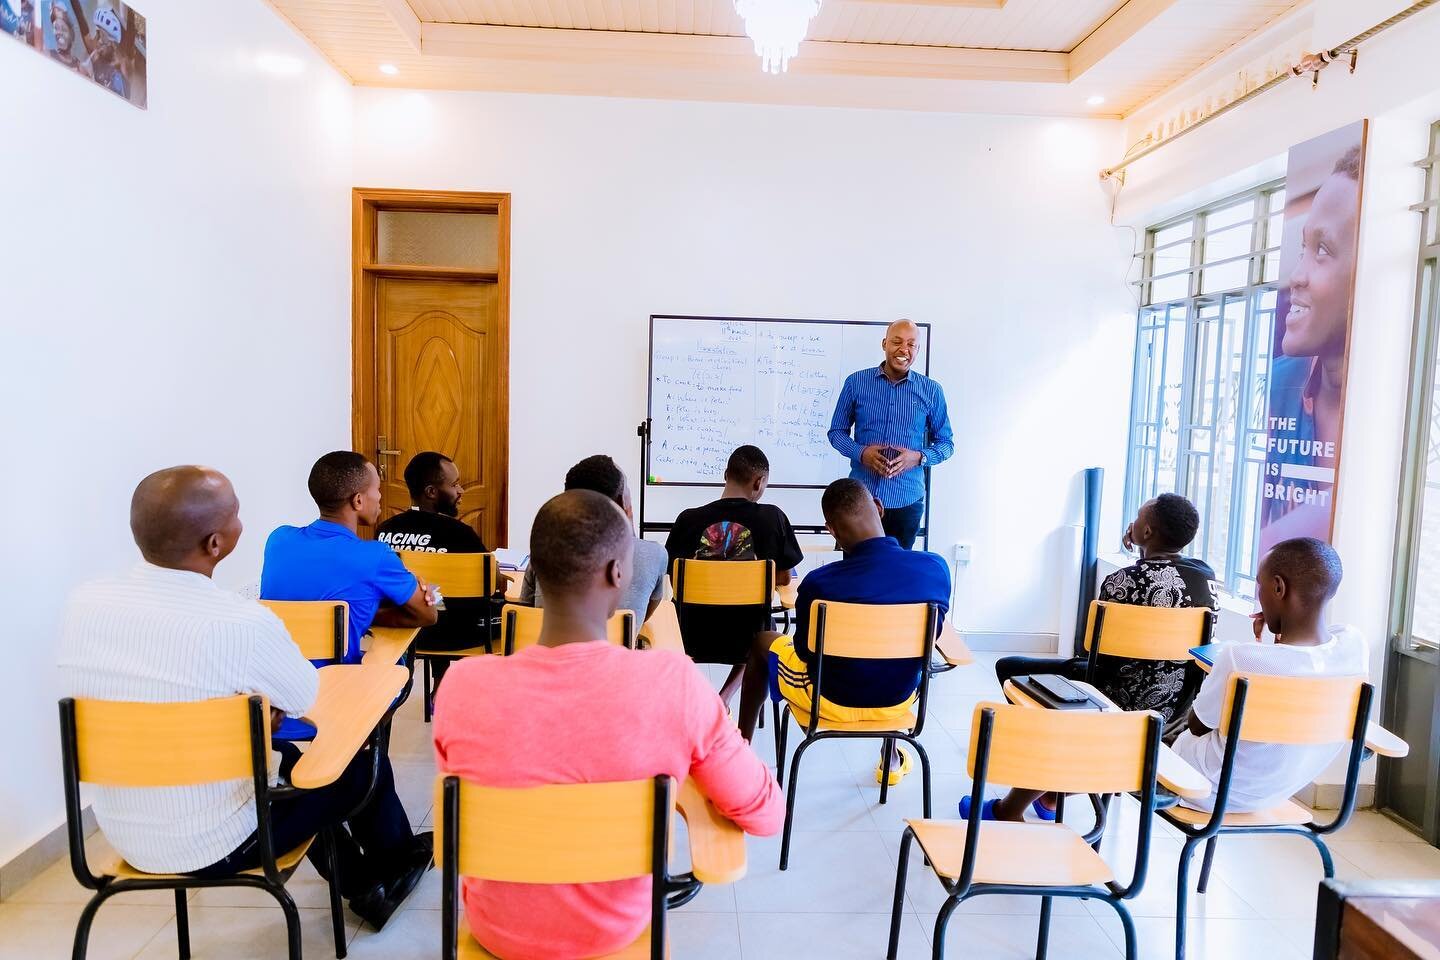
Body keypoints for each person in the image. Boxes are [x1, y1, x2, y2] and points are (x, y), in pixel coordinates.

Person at [56, 467, 431, 930]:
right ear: (216, 544)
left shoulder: (84, 604)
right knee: (355, 763)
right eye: (235, 512)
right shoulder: (241, 623)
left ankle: (364, 884)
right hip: (218, 843)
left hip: (124, 834)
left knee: (290, 756)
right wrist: (254, 709)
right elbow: (304, 698)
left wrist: (238, 713)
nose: (242, 520)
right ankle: (384, 870)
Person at [434, 490, 783, 960]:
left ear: (533, 570)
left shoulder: (461, 686)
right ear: (619, 574)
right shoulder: (673, 682)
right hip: (615, 935)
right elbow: (765, 814)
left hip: (497, 935)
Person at [971, 493, 1218, 822]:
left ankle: (1038, 786)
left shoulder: (1124, 582)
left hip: (1112, 699)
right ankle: (1050, 796)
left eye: (1139, 517)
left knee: (1011, 669)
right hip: (1175, 707)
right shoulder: (1206, 578)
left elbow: (1093, 651)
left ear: (1146, 533)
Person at [748, 479, 950, 779]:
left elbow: (805, 653)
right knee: (894, 660)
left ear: (832, 530)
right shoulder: (935, 569)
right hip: (899, 701)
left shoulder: (819, 584)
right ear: (879, 509)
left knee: (762, 639)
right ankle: (890, 755)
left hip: (829, 700)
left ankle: (740, 749)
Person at [1170, 537, 1368, 812]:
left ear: (1278, 587)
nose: (1259, 595)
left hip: (1201, 786)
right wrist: (1282, 629)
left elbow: (1197, 725)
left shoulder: (1240, 657)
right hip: (1274, 796)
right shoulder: (1354, 646)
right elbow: (1300, 658)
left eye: (1260, 585)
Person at [1260, 145, 1362, 552]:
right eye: (1305, 247)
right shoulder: (1282, 386)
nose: (1296, 276)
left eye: (1323, 250)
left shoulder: (1399, 415)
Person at [261, 451, 437, 664]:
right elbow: (428, 615)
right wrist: (369, 611)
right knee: (396, 664)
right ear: (358, 501)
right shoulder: (376, 557)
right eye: (377, 489)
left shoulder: (278, 540)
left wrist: (361, 611)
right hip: (341, 687)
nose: (380, 497)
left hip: (278, 683)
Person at [664, 445, 804, 706]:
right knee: (767, 633)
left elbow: (673, 580)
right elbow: (785, 579)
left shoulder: (687, 520)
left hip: (692, 634)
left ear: (725, 474)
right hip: (748, 637)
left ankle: (702, 700)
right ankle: (724, 699)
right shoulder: (772, 518)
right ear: (759, 482)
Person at [827, 319, 954, 550]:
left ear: (917, 350)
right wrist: (862, 453)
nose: (903, 349)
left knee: (898, 577)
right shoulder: (856, 383)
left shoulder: (931, 391)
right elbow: (836, 432)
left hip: (906, 500)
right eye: (896, 342)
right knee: (857, 576)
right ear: (884, 343)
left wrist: (917, 457)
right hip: (860, 500)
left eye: (911, 344)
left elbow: (946, 444)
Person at [376, 451, 508, 668]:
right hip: (459, 635)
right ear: (431, 492)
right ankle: (443, 687)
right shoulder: (461, 534)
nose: (461, 490)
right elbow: (495, 583)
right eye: (455, 485)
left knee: (439, 600)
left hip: (403, 629)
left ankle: (438, 681)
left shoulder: (384, 531)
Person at [520, 454, 667, 625]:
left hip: (546, 648)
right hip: (621, 648)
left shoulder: (545, 551)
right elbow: (641, 621)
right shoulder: (654, 555)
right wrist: (627, 523)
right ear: (622, 502)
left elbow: (525, 614)